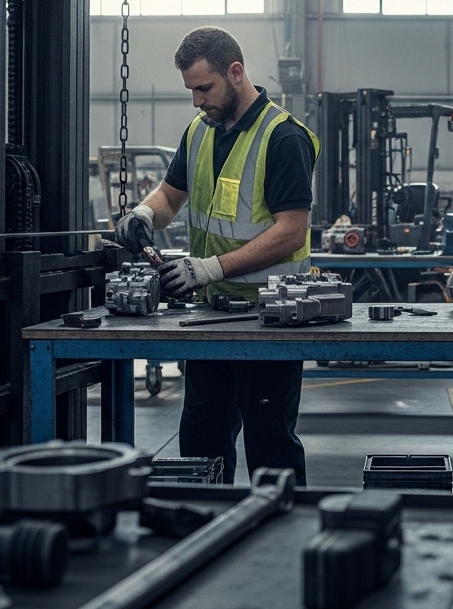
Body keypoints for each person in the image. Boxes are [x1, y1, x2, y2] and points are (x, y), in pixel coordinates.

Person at [114, 26, 318, 485]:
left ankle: (280, 542)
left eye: (203, 88)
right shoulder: (200, 132)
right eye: (190, 90)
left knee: (270, 445)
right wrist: (145, 212)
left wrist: (207, 268)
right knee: (202, 438)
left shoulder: (283, 138)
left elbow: (291, 231)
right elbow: (171, 195)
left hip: (272, 319)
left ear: (236, 72)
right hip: (210, 317)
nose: (196, 101)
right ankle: (202, 527)